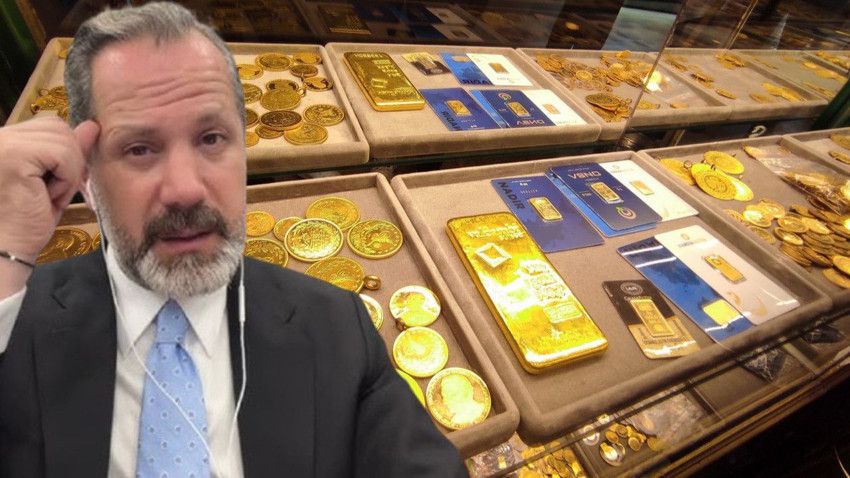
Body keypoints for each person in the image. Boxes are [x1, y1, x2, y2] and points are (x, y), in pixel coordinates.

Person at [0, 2, 468, 477]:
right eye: (139, 149)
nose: (185, 189)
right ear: (84, 172)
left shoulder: (338, 329)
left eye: (211, 139)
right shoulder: (12, 323)